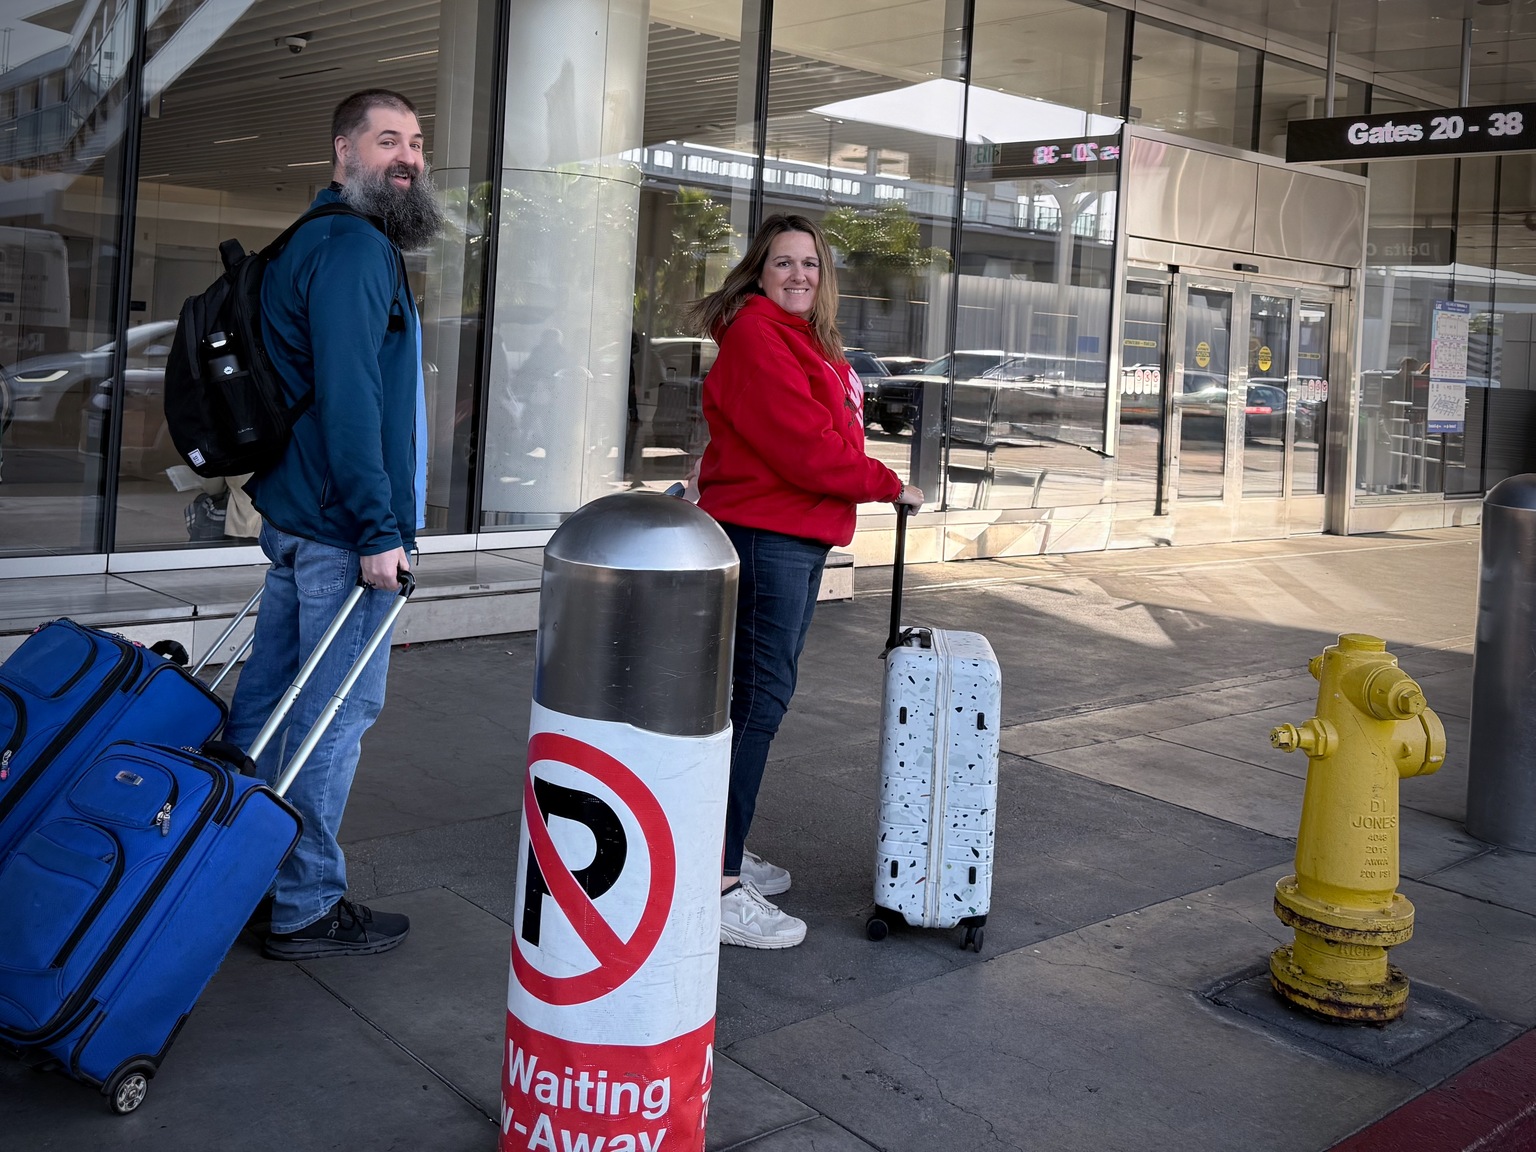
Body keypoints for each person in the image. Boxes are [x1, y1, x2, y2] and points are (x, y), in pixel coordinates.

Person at [223, 88, 443, 960]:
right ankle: (305, 901)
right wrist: (380, 530)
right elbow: (355, 401)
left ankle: (231, 871)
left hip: (297, 519)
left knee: (270, 707)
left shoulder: (305, 243)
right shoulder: (354, 250)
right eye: (387, 140)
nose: (408, 157)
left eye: (417, 143)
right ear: (341, 153)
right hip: (342, 531)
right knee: (334, 714)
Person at [687, 214, 924, 949]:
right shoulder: (760, 334)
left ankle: (717, 844)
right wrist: (889, 483)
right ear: (759, 271)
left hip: (786, 532)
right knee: (758, 701)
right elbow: (804, 449)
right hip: (770, 536)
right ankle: (714, 880)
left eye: (811, 265)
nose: (798, 275)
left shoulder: (797, 338)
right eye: (783, 262)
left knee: (748, 700)